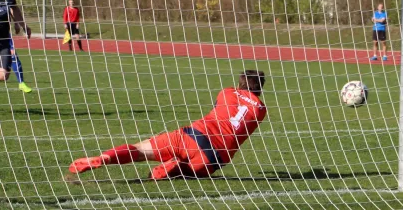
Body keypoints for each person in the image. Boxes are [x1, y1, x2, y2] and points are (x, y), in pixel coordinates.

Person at [69, 70, 267, 180]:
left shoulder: (228, 92)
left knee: (139, 150)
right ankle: (177, 168)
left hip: (193, 135)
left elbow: (220, 106)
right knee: (189, 173)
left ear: (240, 84)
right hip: (214, 156)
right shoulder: (261, 109)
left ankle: (104, 158)